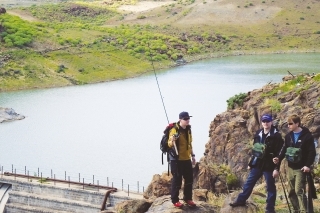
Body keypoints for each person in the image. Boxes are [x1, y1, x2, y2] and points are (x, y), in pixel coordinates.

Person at [230, 114, 284, 213]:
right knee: (249, 183)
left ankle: (270, 209)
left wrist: (276, 168)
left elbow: (279, 153)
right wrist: (251, 163)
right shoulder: (258, 133)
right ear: (261, 122)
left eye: (267, 121)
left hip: (269, 165)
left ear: (271, 122)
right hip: (257, 164)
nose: (265, 123)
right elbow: (256, 150)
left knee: (270, 187)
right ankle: (240, 200)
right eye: (264, 121)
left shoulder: (276, 135)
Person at [274, 114, 316, 213]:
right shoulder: (289, 136)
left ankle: (305, 210)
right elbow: (284, 149)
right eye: (288, 124)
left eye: (291, 124)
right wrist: (278, 158)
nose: (289, 126)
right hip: (290, 168)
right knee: (291, 191)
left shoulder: (307, 136)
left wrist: (307, 165)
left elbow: (312, 152)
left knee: (299, 191)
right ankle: (296, 210)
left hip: (301, 168)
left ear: (297, 123)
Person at [167, 111, 196, 208]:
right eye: (185, 119)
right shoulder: (174, 130)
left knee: (189, 179)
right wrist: (173, 140)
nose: (187, 120)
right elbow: (169, 144)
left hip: (186, 158)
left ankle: (188, 198)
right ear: (180, 120)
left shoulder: (188, 129)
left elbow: (189, 144)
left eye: (188, 118)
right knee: (177, 180)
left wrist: (193, 156)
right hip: (177, 160)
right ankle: (175, 200)